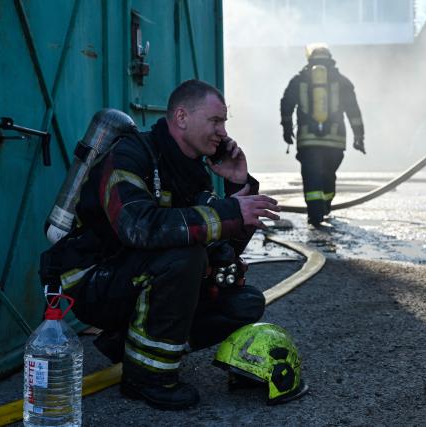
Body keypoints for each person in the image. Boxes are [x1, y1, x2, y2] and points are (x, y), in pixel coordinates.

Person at [39, 79, 280, 410]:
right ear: (181, 117)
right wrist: (226, 211)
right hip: (91, 280)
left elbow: (220, 251)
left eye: (224, 122)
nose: (223, 132)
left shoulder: (194, 173)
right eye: (215, 121)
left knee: (244, 304)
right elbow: (137, 227)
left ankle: (123, 343)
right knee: (183, 256)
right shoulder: (130, 155)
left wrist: (238, 182)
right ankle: (147, 379)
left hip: (136, 277)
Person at [280, 43, 365, 227]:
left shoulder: (299, 80)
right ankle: (325, 205)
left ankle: (315, 214)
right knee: (328, 174)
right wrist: (359, 136)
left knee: (311, 176)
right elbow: (354, 112)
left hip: (308, 141)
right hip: (335, 141)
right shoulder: (342, 81)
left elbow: (286, 104)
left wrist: (287, 129)